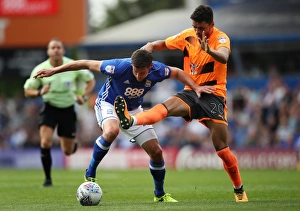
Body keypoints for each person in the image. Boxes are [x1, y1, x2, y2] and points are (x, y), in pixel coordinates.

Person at [33, 49, 215, 202]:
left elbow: (177, 72)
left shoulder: (158, 70)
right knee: (112, 131)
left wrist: (196, 87)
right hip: (108, 104)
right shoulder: (119, 66)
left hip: (133, 110)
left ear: (150, 67)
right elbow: (86, 63)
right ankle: (90, 171)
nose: (137, 75)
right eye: (135, 70)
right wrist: (54, 70)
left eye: (142, 72)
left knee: (157, 151)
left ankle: (159, 195)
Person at [114, 5, 248, 202]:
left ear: (212, 25)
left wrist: (208, 50)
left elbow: (224, 56)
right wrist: (150, 45)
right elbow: (164, 44)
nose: (197, 31)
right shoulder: (188, 35)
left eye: (201, 28)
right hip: (192, 91)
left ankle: (239, 189)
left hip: (214, 95)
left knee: (222, 149)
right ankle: (131, 119)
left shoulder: (221, 38)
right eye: (194, 27)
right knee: (165, 107)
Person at [24, 38, 95, 187]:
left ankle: (73, 144)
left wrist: (83, 96)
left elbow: (91, 80)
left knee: (68, 151)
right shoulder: (40, 69)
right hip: (49, 107)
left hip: (68, 109)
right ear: (48, 51)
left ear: (63, 51)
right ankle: (47, 179)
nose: (56, 50)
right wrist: (39, 92)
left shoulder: (72, 66)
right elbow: (27, 91)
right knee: (45, 141)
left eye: (58, 47)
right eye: (53, 48)